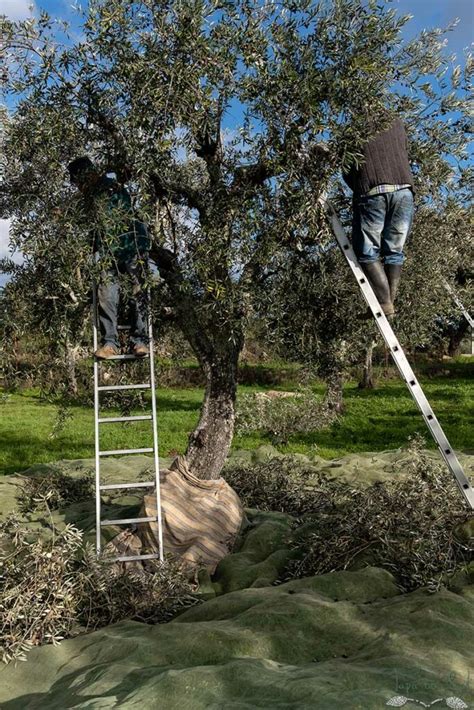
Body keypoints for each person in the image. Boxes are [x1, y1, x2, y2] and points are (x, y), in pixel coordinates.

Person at [68, 156, 150, 359]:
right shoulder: (89, 198)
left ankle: (139, 341)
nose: (78, 187)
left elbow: (109, 219)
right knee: (106, 294)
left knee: (139, 292)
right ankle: (110, 343)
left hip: (133, 247)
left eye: (78, 182)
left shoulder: (111, 188)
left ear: (87, 176)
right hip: (107, 252)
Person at [343, 117, 415, 317]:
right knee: (394, 251)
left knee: (367, 251)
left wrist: (358, 188)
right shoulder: (398, 123)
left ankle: (384, 302)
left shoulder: (355, 127)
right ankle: (388, 304)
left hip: (373, 190)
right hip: (404, 191)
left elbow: (347, 168)